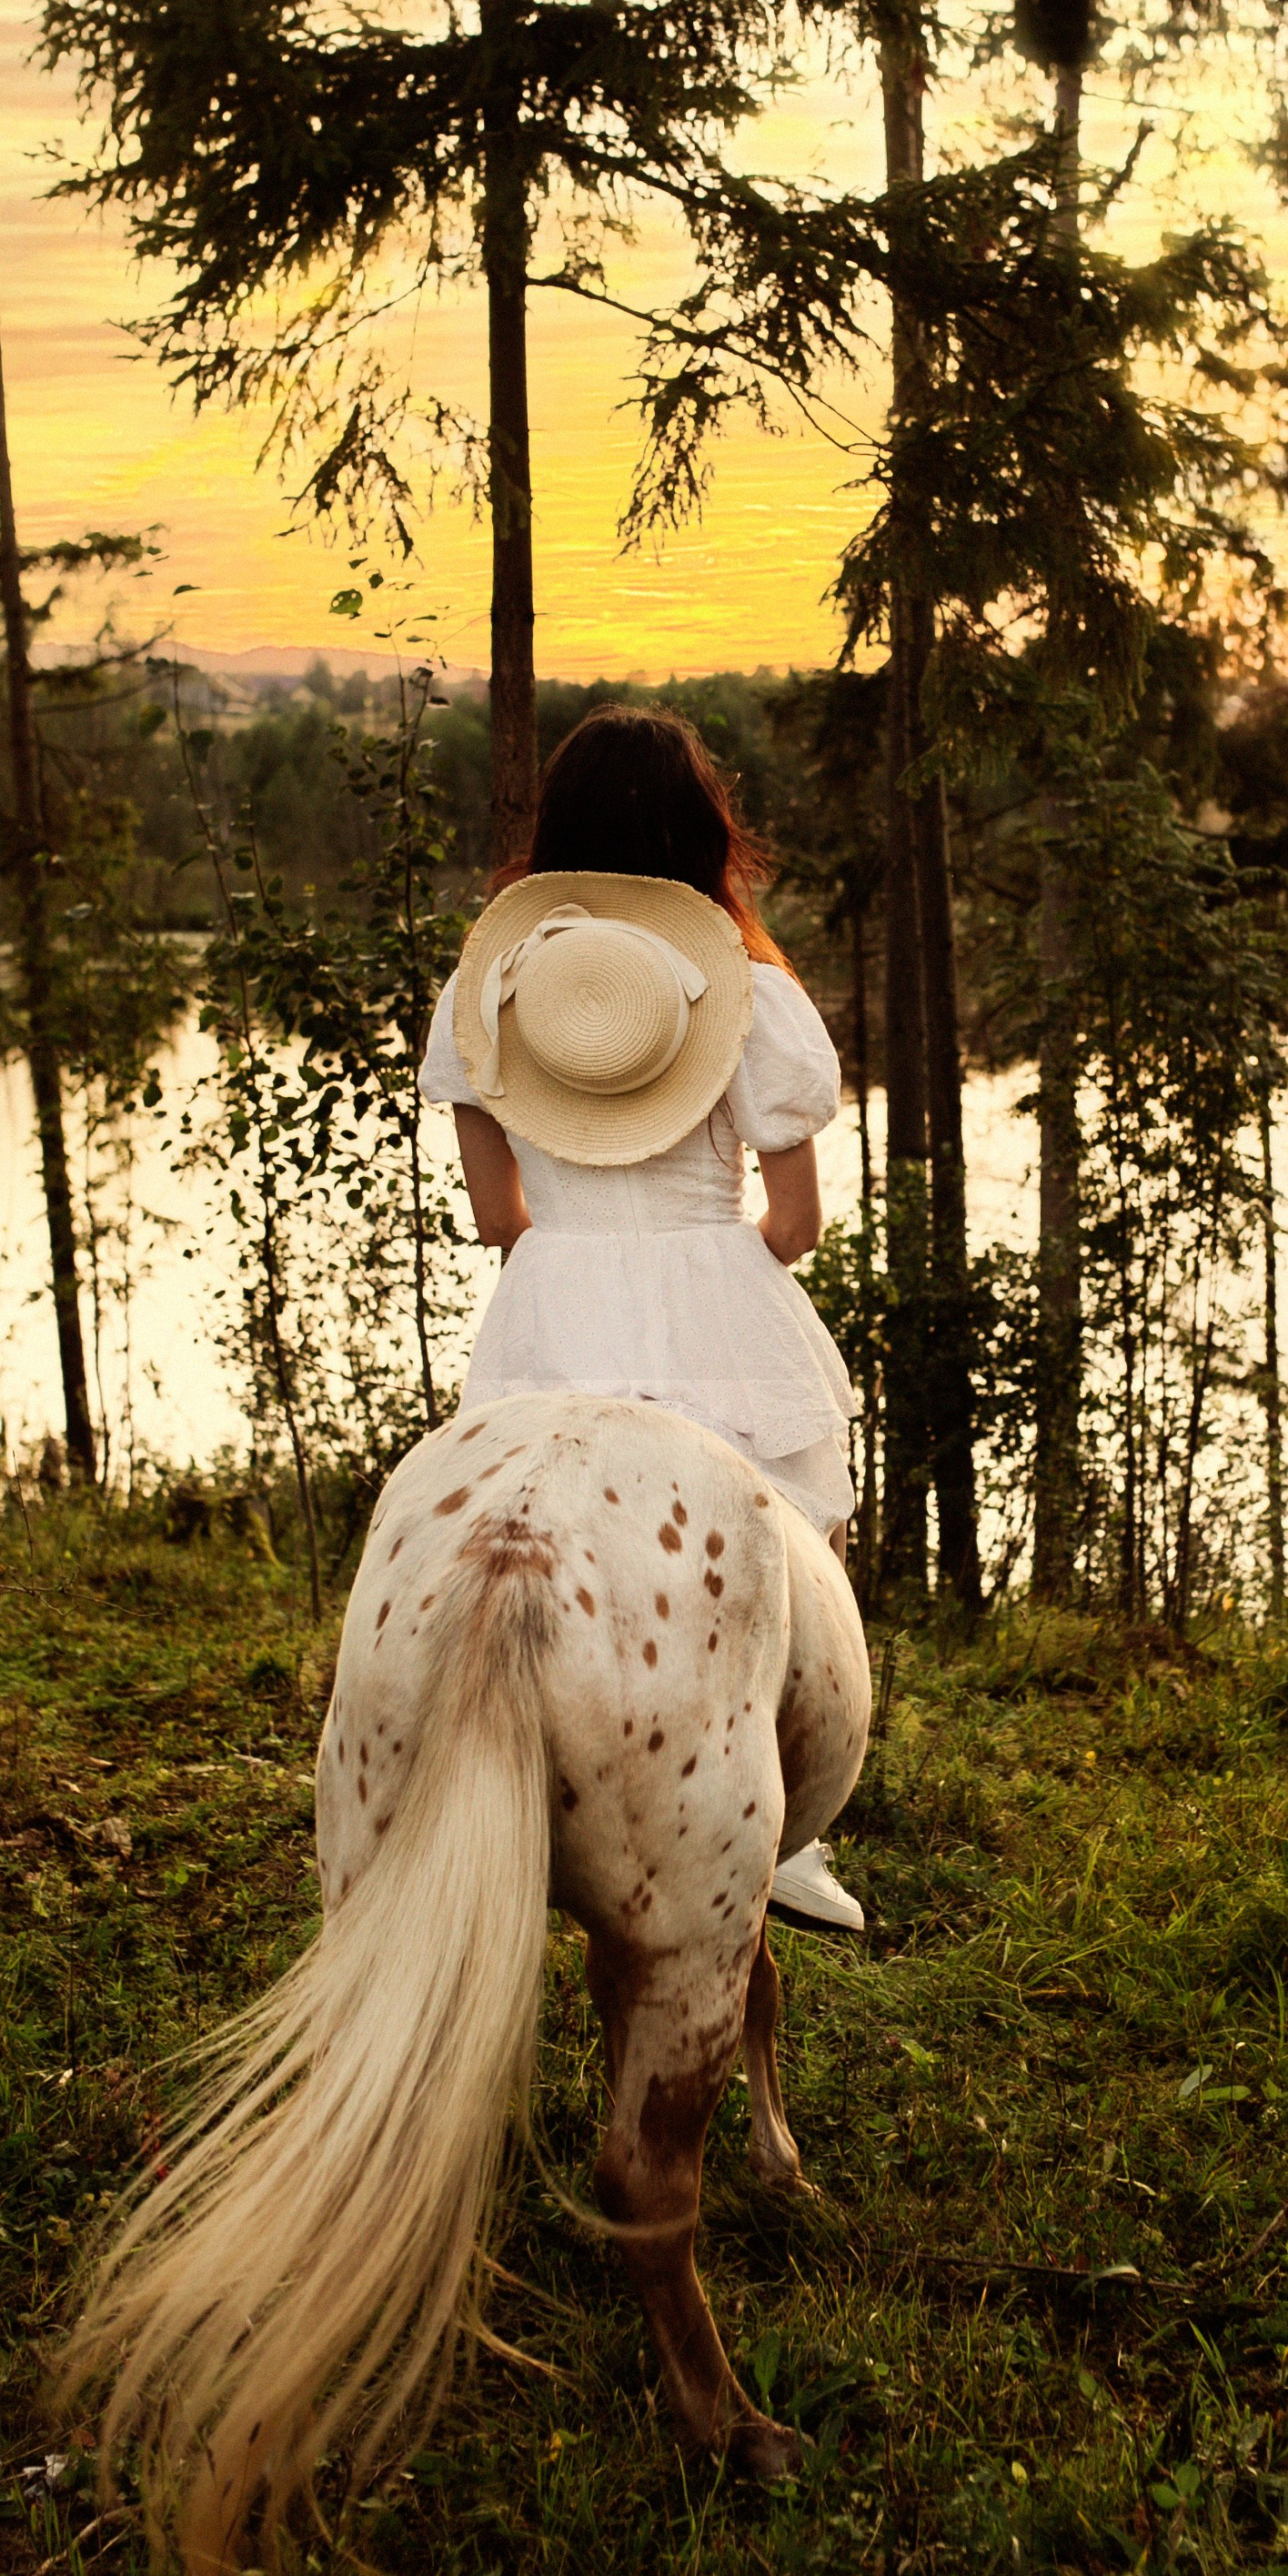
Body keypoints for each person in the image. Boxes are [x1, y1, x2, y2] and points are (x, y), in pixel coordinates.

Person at [418, 705, 866, 1935]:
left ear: (556, 833)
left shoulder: (493, 995)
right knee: (791, 1559)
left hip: (550, 1297)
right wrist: (712, 1257)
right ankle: (784, 1835)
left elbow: (493, 1215)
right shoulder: (747, 1002)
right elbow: (796, 1223)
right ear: (697, 831)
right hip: (712, 1291)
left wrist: (577, 1246)